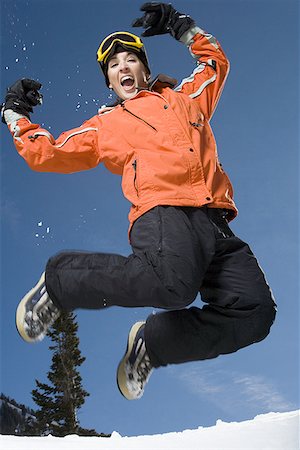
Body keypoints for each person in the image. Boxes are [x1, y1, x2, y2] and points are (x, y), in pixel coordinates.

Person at [2, 2, 276, 401]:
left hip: (217, 221)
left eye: (131, 59)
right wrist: (14, 115)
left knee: (255, 313)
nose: (124, 67)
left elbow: (214, 62)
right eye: (114, 65)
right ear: (110, 82)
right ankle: (61, 281)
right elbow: (49, 152)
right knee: (172, 284)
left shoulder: (186, 99)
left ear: (145, 69)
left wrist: (182, 27)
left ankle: (154, 344)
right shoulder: (107, 123)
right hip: (164, 212)